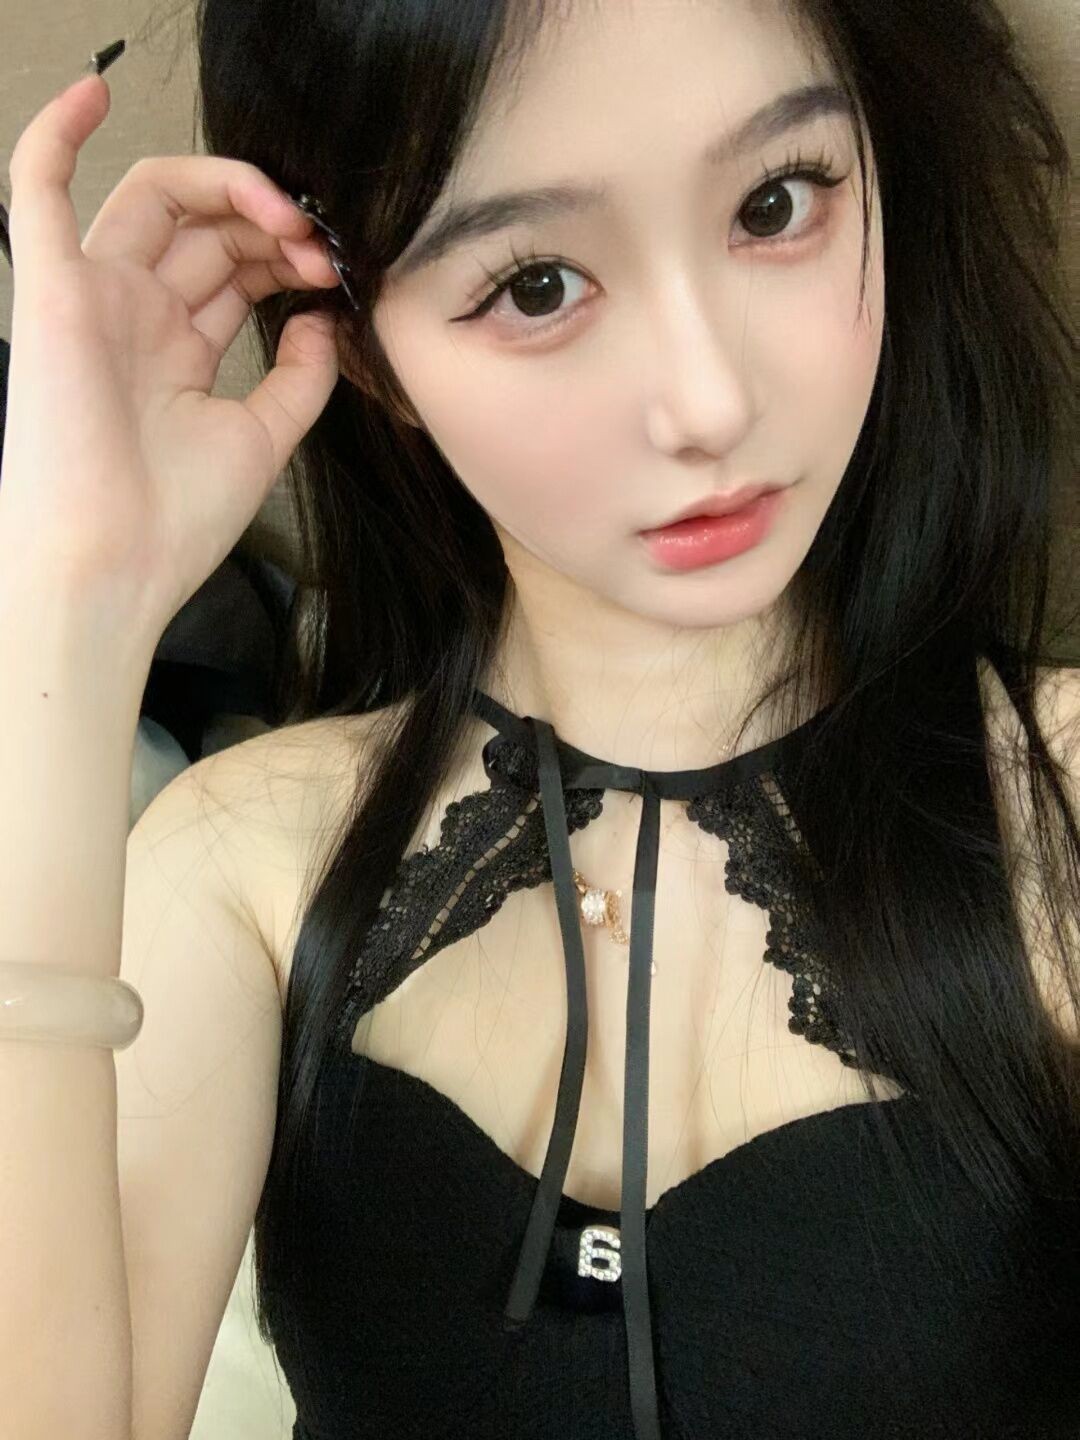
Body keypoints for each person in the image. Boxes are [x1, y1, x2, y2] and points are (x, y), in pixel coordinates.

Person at [1, 1, 1078, 1436]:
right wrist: (68, 611)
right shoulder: (251, 865)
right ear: (365, 350)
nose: (708, 400)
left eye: (776, 202)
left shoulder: (1060, 804)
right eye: (536, 284)